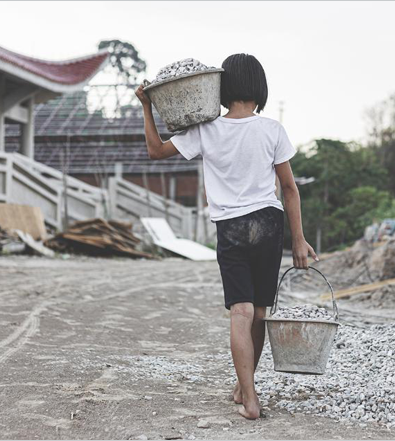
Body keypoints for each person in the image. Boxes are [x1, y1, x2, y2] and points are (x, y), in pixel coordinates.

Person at [135, 53, 318, 420]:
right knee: (260, 313)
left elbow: (155, 151)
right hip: (268, 223)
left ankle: (247, 397)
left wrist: (146, 106)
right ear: (260, 89)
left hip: (231, 226)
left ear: (221, 87)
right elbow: (289, 189)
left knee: (241, 311)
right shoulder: (272, 130)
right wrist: (298, 239)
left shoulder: (206, 129)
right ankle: (246, 387)